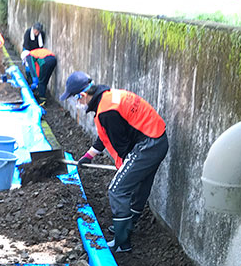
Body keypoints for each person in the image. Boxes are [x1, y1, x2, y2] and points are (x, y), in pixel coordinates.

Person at [59, 71, 168, 252]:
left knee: (117, 189)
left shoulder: (106, 112)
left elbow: (122, 146)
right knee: (139, 189)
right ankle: (126, 227)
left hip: (148, 144)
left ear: (83, 95)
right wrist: (89, 156)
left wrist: (126, 168)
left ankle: (122, 242)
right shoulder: (107, 98)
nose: (77, 103)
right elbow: (106, 134)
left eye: (75, 99)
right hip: (157, 139)